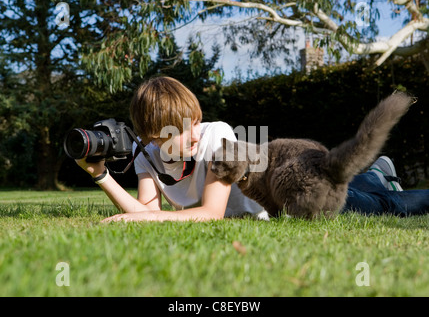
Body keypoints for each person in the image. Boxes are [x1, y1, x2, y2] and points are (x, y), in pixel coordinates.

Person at [76, 76, 429, 222]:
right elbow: (145, 214)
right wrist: (102, 176)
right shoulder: (149, 157)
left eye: (195, 121)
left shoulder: (217, 136)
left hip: (292, 198)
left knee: (384, 205)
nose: (194, 133)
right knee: (363, 184)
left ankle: (377, 177)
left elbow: (211, 213)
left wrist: (142, 219)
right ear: (154, 136)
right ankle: (376, 173)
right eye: (182, 130)